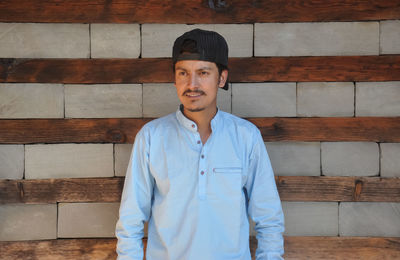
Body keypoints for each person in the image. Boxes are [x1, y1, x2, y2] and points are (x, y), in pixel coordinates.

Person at [115, 28, 284, 260]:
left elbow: (269, 218)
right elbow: (130, 220)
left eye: (203, 72)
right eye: (183, 73)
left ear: (222, 78)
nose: (191, 84)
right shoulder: (152, 137)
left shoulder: (246, 137)